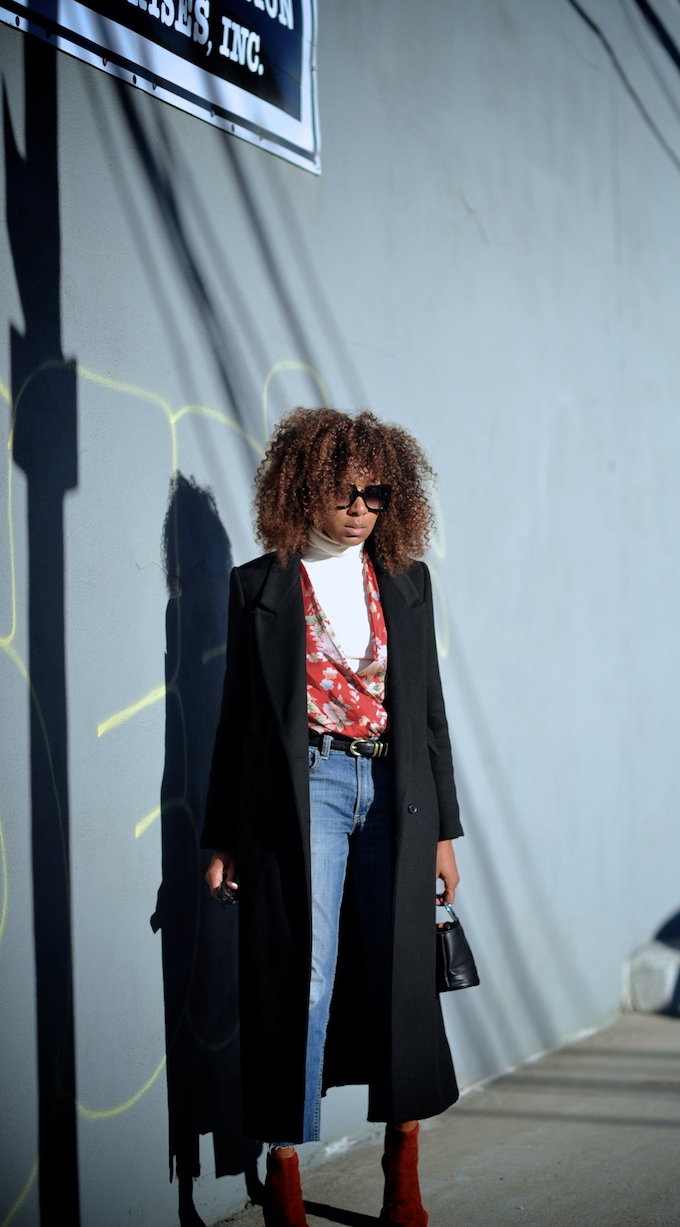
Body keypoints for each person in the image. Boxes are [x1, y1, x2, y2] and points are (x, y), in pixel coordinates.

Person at [202, 407, 464, 1227]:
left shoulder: (408, 581)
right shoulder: (261, 586)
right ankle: (284, 1170)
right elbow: (237, 721)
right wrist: (221, 836)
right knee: (300, 972)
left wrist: (447, 832)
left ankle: (402, 1169)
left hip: (396, 792)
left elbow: (429, 713)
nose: (360, 505)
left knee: (401, 975)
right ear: (305, 484)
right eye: (344, 488)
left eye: (376, 491)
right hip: (303, 787)